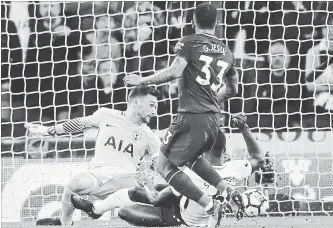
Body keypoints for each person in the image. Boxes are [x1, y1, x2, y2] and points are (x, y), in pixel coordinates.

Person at [124, 3, 242, 224]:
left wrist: (142, 80)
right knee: (192, 159)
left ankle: (209, 205)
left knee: (163, 166)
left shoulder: (187, 43)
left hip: (190, 115)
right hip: (213, 120)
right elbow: (234, 88)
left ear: (192, 22)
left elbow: (174, 71)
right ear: (217, 23)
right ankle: (226, 189)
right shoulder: (227, 52)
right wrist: (214, 98)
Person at [25, 85, 161, 226]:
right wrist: (46, 130)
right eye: (152, 105)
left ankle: (97, 208)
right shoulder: (106, 115)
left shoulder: (151, 137)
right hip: (99, 175)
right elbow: (79, 124)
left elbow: (159, 164)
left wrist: (149, 177)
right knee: (74, 183)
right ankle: (65, 222)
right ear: (135, 102)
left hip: (127, 181)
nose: (154, 112)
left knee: (148, 196)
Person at [117, 114, 265, 227]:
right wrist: (243, 127)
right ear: (224, 150)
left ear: (201, 150)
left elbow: (156, 200)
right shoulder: (235, 168)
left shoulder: (193, 174)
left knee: (124, 210)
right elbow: (258, 158)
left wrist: (146, 184)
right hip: (184, 199)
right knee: (136, 193)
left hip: (179, 216)